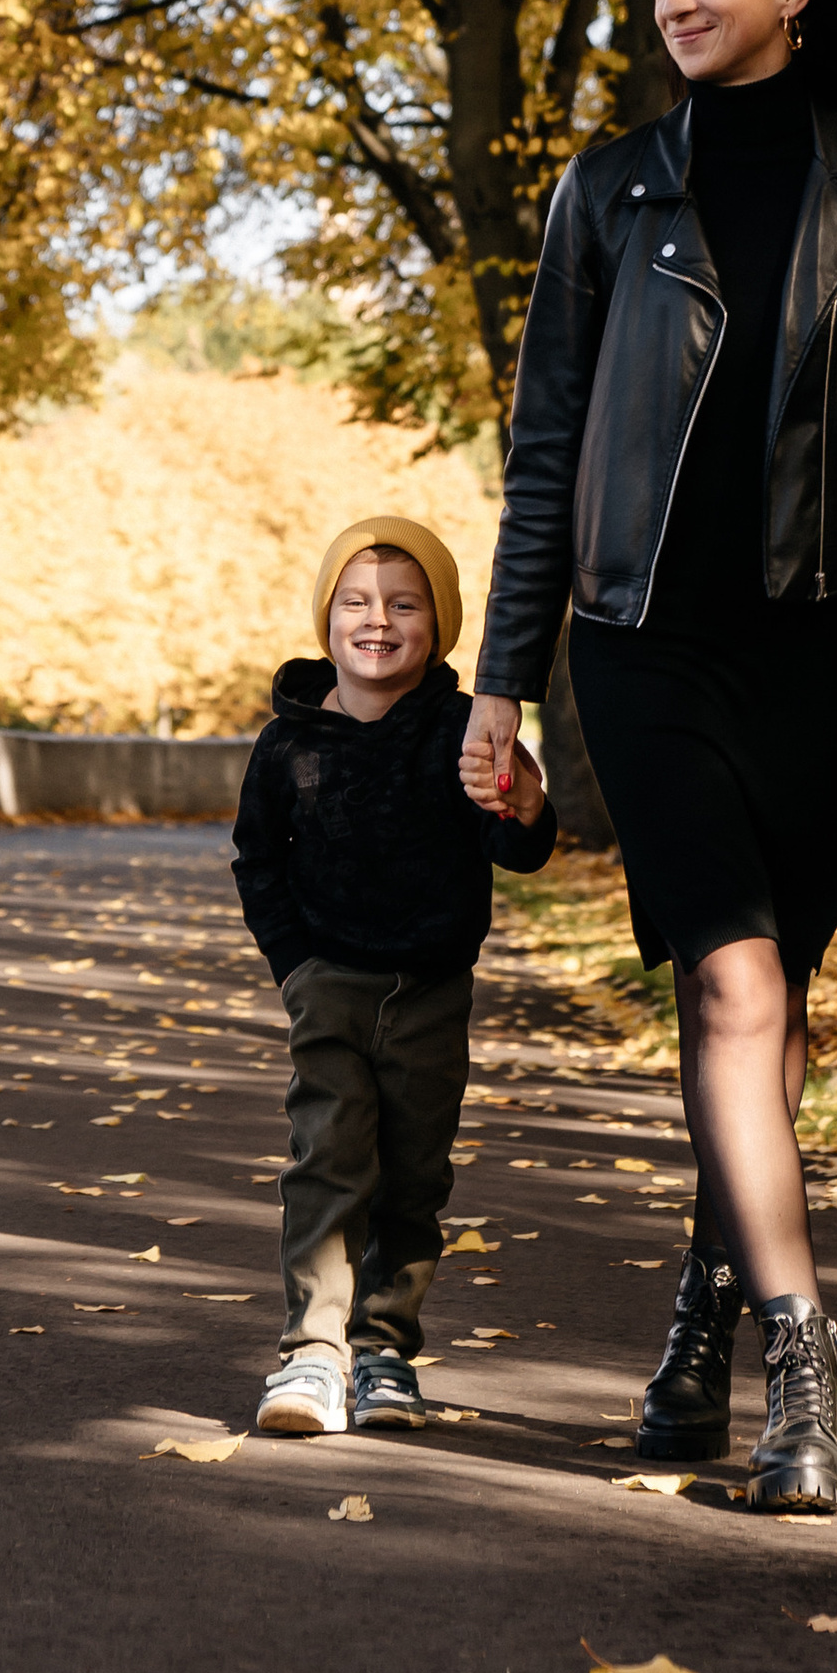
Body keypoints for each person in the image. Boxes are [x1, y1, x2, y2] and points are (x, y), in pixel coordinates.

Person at [459, 0, 837, 1516]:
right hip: (640, 646)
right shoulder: (606, 194)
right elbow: (545, 458)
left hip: (818, 655)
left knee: (774, 1007)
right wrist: (503, 687)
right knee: (732, 991)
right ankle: (803, 1369)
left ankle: (699, 1314)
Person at [231, 515, 556, 1438]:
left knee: (413, 1177)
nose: (379, 621)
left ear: (440, 624)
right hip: (328, 982)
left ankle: (382, 1350)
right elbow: (258, 862)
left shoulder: (464, 730)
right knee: (327, 1161)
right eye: (357, 602)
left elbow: (516, 846)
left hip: (430, 992)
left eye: (406, 604)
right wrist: (294, 967)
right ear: (326, 619)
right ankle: (311, 1354)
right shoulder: (287, 743)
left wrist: (527, 807)